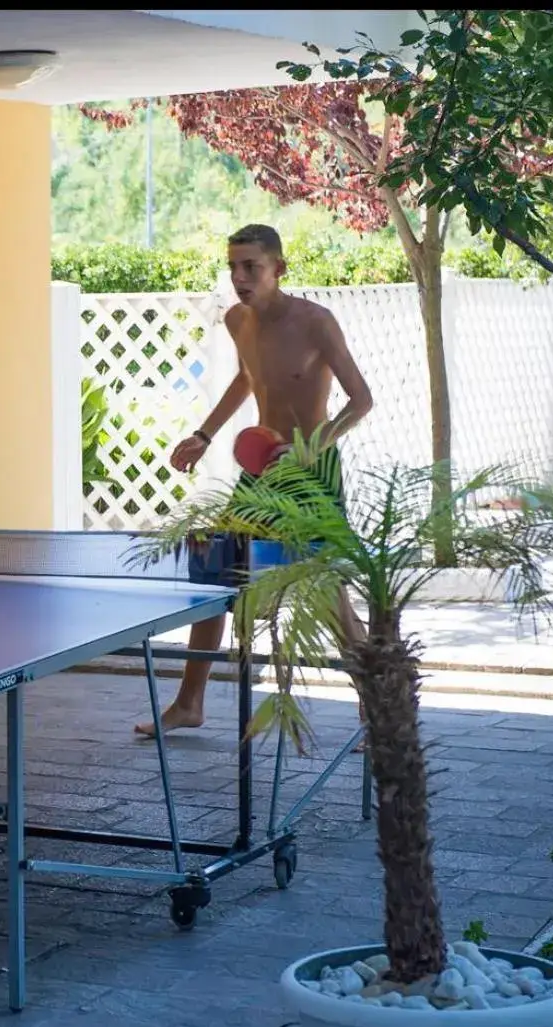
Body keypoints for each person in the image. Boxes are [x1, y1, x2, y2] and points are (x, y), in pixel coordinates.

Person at [134, 224, 373, 740]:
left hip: (310, 471)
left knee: (327, 594)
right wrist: (204, 434)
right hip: (261, 471)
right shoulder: (236, 320)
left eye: (251, 268)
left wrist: (311, 447)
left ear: (278, 269)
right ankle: (189, 702)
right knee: (217, 572)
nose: (239, 278)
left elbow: (361, 401)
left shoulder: (317, 323)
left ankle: (375, 707)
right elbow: (248, 378)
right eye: (233, 267)